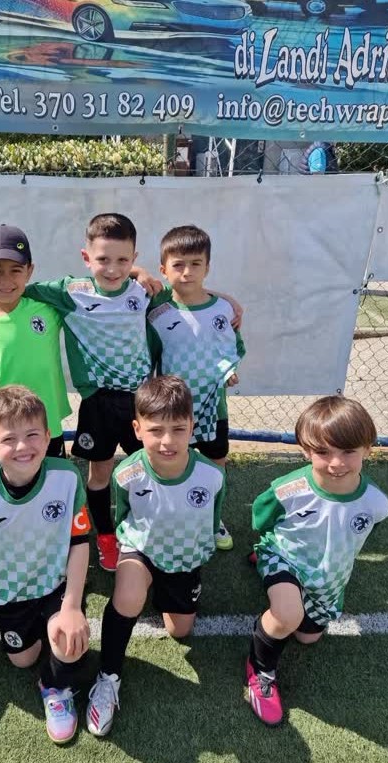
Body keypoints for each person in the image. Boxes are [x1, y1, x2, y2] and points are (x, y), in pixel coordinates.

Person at [0, 214, 242, 572]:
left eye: (123, 260)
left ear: (134, 258)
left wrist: (226, 300)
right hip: (98, 404)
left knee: (155, 466)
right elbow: (14, 290)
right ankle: (105, 536)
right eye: (103, 259)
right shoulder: (70, 293)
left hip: (139, 401)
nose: (113, 268)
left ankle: (156, 526)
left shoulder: (144, 291)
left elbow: (188, 292)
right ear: (86, 258)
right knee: (100, 473)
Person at [85, 376, 225, 737]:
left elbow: (212, 520)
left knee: (180, 631)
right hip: (142, 549)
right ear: (137, 429)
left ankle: (168, 590)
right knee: (129, 595)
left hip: (184, 556)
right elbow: (123, 518)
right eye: (156, 430)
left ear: (192, 426)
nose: (167, 441)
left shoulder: (211, 476)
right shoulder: (127, 473)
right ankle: (108, 676)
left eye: (178, 429)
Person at [0, 385, 91, 744]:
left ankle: (54, 687)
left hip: (55, 586)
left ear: (47, 436)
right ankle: (28, 634)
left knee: (71, 644)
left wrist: (72, 605)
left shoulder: (67, 477)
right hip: (8, 596)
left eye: (32, 435)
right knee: (23, 660)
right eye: (9, 439)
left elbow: (79, 542)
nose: (22, 447)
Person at [246, 396, 388, 726]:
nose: (336, 463)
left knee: (307, 636)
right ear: (305, 450)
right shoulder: (288, 490)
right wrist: (273, 548)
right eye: (323, 452)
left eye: (348, 451)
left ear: (368, 449)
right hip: (283, 557)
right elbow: (262, 520)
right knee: (287, 616)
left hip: (328, 575)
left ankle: (299, 596)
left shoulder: (377, 503)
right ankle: (260, 669)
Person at [147, 224, 245, 550]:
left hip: (213, 407)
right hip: (174, 411)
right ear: (164, 269)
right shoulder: (156, 312)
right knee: (173, 462)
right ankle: (175, 515)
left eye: (195, 264)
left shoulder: (223, 310)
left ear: (207, 267)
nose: (187, 272)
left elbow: (231, 349)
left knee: (216, 463)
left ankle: (213, 520)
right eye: (178, 265)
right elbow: (150, 357)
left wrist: (229, 371)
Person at [0, 224, 71, 463]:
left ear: (29, 271)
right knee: (14, 487)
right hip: (6, 437)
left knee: (55, 483)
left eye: (16, 270)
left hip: (48, 429)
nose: (6, 280)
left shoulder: (48, 309)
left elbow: (97, 283)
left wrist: (138, 272)